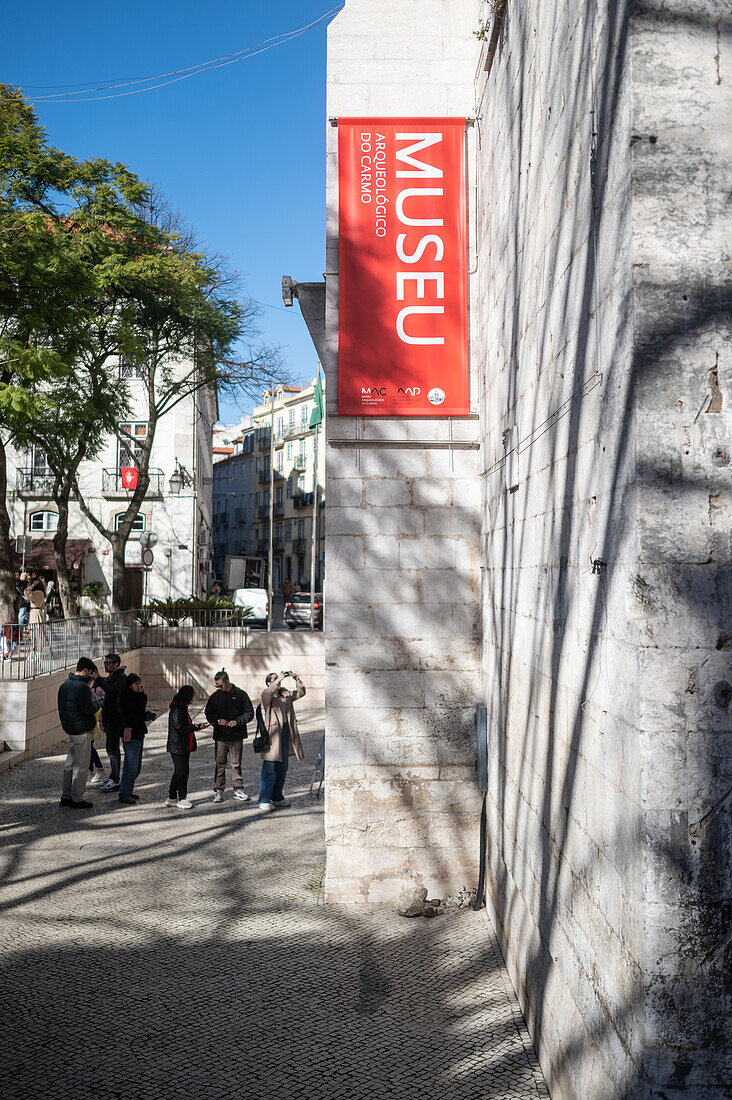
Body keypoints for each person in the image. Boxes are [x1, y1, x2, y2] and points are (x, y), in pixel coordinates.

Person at [258, 670, 306, 812]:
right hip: (273, 735)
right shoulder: (267, 695)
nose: (279, 682)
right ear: (269, 683)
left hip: (286, 732)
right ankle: (264, 799)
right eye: (274, 680)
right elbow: (267, 694)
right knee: (269, 767)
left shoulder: (285, 695)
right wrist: (278, 679)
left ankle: (277, 796)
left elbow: (301, 693)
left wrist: (297, 680)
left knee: (283, 767)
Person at [205, 669, 255, 803]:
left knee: (236, 764)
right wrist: (216, 721)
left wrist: (237, 721)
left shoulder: (241, 695)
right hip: (221, 737)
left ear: (227, 681)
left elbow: (249, 713)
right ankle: (219, 790)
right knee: (220, 764)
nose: (219, 688)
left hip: (236, 736)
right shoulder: (215, 696)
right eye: (217, 686)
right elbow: (208, 713)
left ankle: (238, 789)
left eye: (220, 685)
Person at [57, 657, 100, 809]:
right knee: (81, 766)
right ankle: (77, 798)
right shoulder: (81, 687)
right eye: (90, 673)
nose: (90, 677)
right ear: (85, 671)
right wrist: (98, 703)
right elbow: (88, 708)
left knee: (70, 763)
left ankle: (66, 796)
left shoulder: (65, 685)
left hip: (70, 730)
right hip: (81, 731)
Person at [165, 686, 209, 810]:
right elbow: (179, 727)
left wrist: (195, 726)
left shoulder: (181, 707)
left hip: (182, 745)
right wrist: (196, 727)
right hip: (177, 746)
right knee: (182, 772)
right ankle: (182, 798)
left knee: (179, 771)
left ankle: (172, 797)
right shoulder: (177, 709)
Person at [118, 674, 156, 805]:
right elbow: (133, 715)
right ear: (130, 686)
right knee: (131, 766)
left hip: (138, 734)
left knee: (137, 766)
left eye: (140, 683)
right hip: (131, 735)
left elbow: (139, 714)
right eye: (136, 684)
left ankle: (127, 789)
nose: (139, 686)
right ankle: (124, 793)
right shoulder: (126, 699)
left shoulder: (137, 697)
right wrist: (142, 696)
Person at [98, 654, 127, 791]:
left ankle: (115, 779)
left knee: (113, 749)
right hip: (111, 718)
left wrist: (100, 681)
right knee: (111, 749)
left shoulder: (120, 677)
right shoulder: (113, 677)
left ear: (116, 664)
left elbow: (113, 691)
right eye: (104, 663)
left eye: (108, 663)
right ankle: (113, 777)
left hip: (116, 720)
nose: (105, 665)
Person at [87, 667, 107, 785]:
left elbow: (99, 705)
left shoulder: (98, 689)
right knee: (88, 746)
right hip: (90, 720)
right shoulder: (88, 686)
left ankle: (99, 768)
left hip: (95, 721)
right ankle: (91, 770)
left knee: (89, 746)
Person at [24, 573, 46, 650]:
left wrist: (32, 585)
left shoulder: (37, 593)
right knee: (36, 635)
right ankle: (36, 652)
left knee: (35, 636)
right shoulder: (41, 593)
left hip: (34, 614)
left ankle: (35, 652)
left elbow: (26, 592)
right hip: (37, 613)